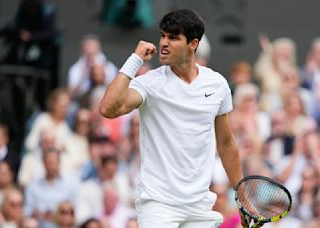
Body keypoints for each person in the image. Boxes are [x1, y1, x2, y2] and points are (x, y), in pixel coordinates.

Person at [99, 9, 244, 228]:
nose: (164, 43)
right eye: (163, 35)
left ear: (193, 44)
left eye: (173, 37)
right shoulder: (149, 83)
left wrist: (241, 196)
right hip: (158, 205)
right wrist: (134, 60)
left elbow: (226, 143)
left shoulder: (217, 84)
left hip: (199, 205)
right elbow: (108, 109)